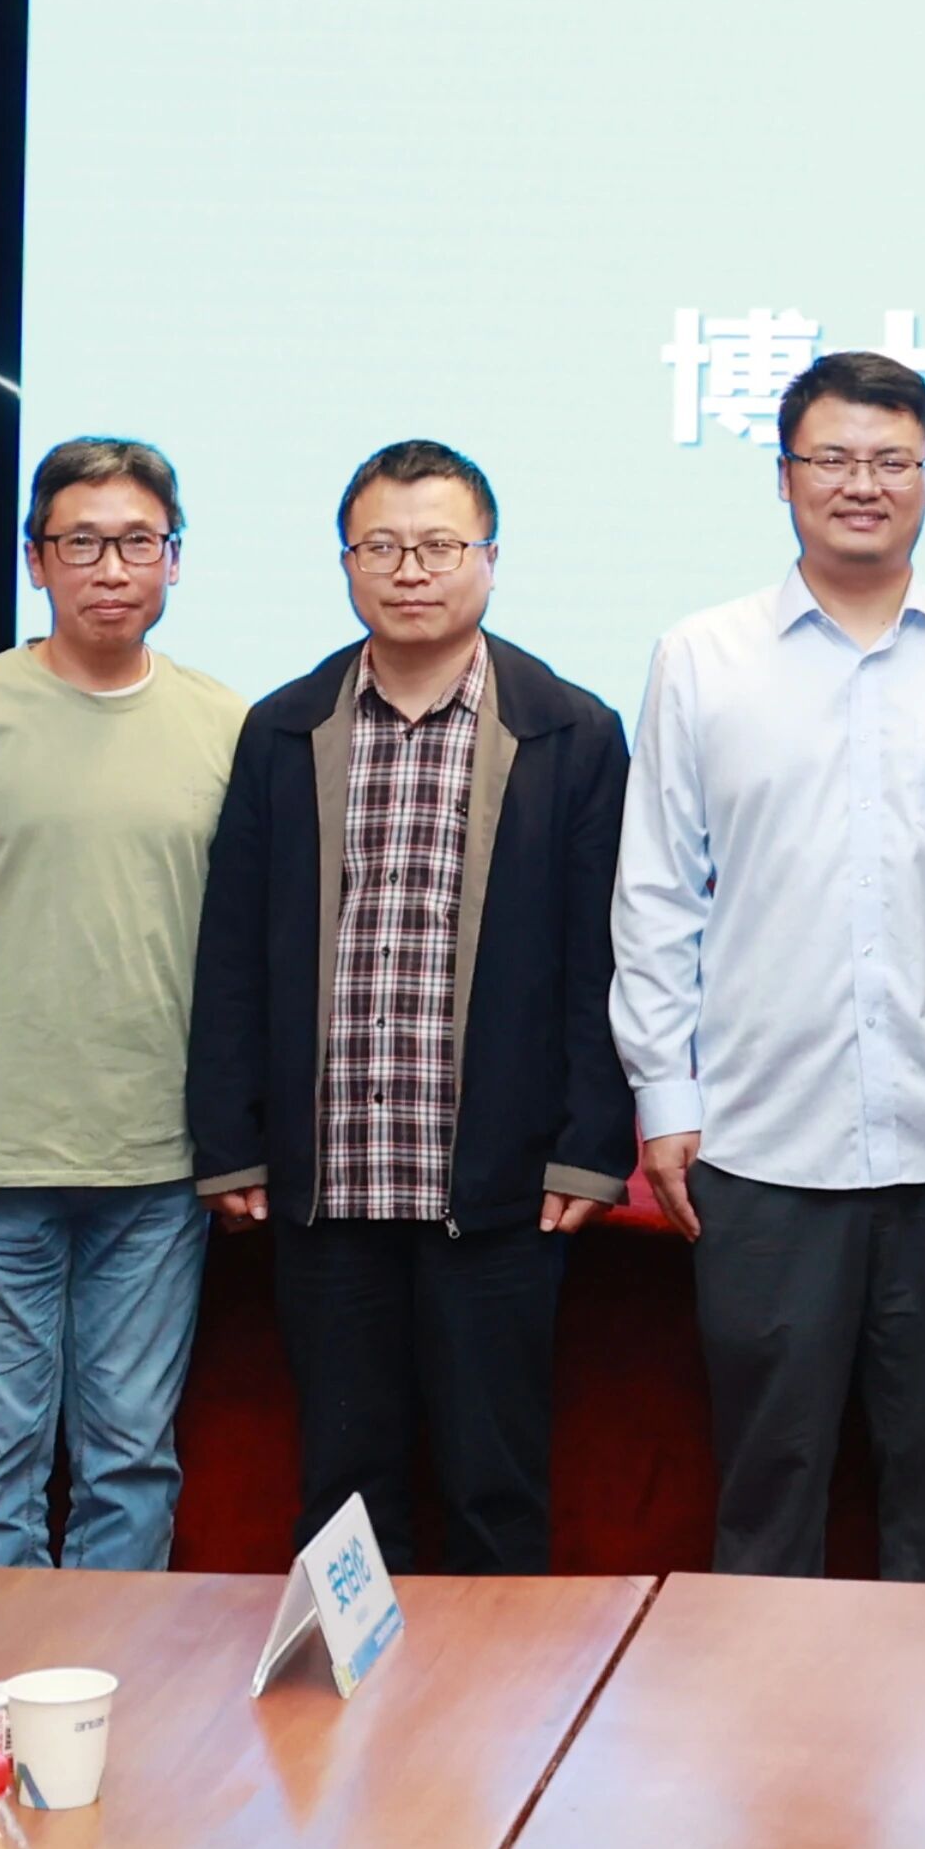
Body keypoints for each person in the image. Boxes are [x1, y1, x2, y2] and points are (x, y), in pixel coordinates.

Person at [615, 350, 925, 1582]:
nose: (862, 485)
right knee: (767, 1494)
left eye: (891, 461)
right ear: (783, 477)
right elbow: (656, 892)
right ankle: (764, 1716)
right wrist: (666, 1095)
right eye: (832, 459)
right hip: (760, 1140)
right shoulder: (701, 657)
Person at [187, 438, 632, 1575]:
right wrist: (230, 1138)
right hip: (330, 1177)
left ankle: (500, 1693)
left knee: (494, 1484)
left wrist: (590, 1147)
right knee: (343, 1489)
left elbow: (601, 955)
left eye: (439, 545)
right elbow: (233, 946)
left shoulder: (570, 730)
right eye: (381, 547)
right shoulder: (286, 726)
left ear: (490, 558)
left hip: (497, 1183)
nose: (411, 570)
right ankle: (351, 1692)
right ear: (346, 563)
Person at [0, 438, 247, 1571]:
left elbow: (248, 963)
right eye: (81, 542)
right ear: (35, 560)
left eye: (137, 542)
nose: (111, 568)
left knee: (131, 1463)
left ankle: (110, 1683)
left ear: (176, 559)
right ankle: (2, 1689)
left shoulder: (229, 725)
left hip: (158, 1161)